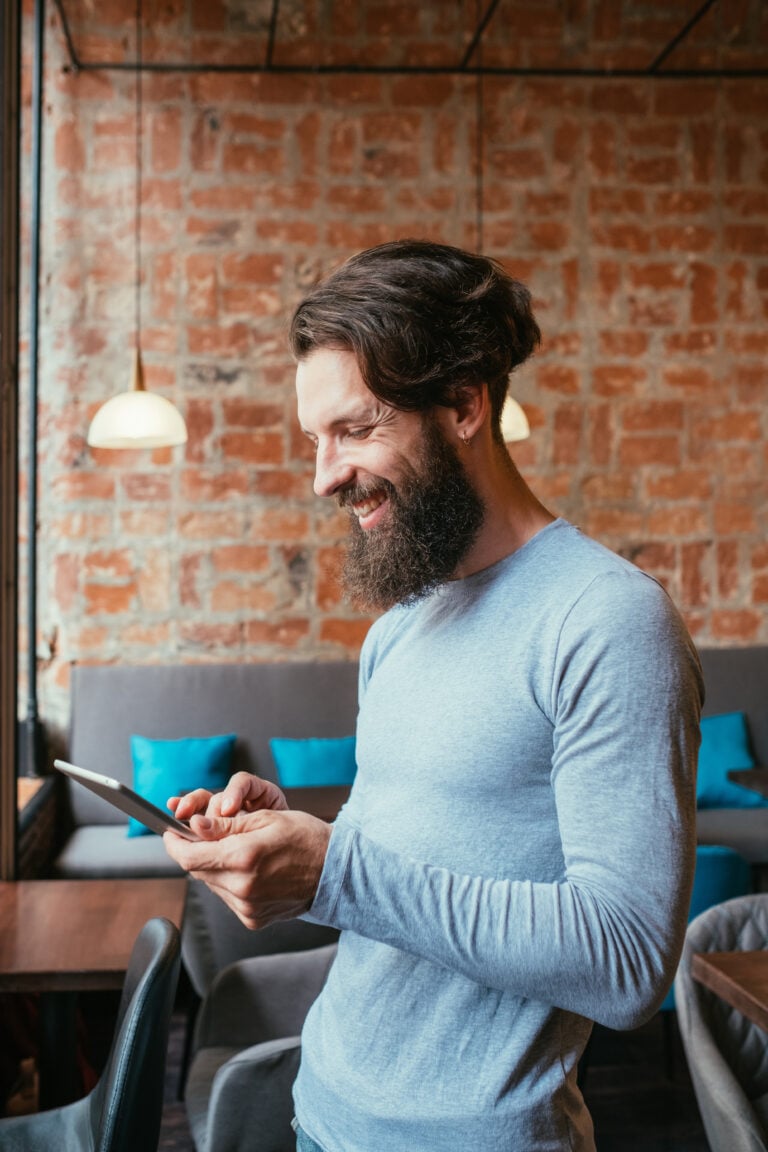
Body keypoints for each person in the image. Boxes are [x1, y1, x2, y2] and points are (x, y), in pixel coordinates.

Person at [164, 239, 704, 1152]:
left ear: (463, 403)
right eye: (314, 440)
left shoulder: (607, 620)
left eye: (356, 430)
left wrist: (337, 870)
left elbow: (626, 961)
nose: (324, 475)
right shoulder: (399, 629)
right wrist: (289, 838)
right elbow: (411, 870)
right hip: (323, 1111)